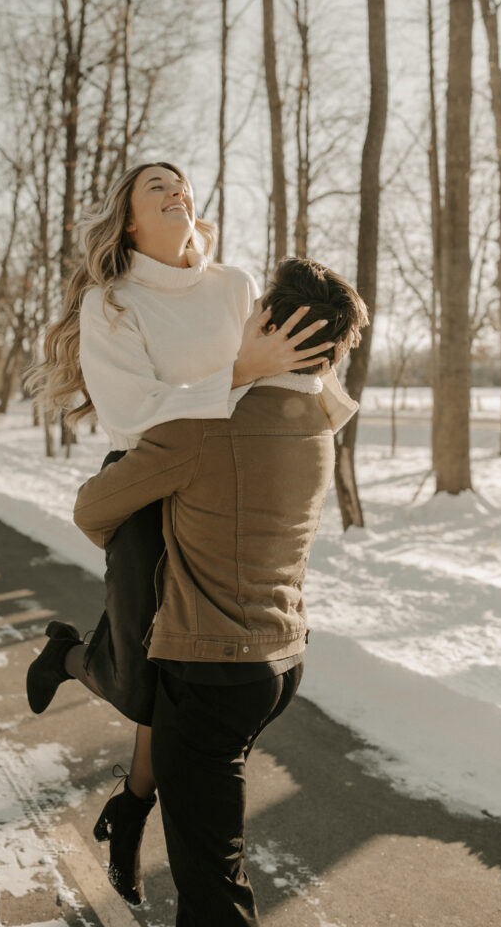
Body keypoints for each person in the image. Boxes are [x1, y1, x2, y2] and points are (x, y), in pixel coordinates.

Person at [24, 161, 353, 903]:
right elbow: (134, 414)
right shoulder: (111, 303)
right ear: (130, 219)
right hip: (150, 470)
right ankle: (70, 658)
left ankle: (131, 806)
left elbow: (286, 369)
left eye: (182, 182)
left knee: (176, 680)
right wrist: (237, 371)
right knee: (147, 683)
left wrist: (316, 411)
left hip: (226, 474)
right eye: (155, 186)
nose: (176, 190)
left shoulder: (234, 285)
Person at [72, 256, 369, 927]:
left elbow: (92, 509)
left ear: (266, 322)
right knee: (213, 855)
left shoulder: (205, 426)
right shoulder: (320, 423)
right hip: (280, 662)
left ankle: (123, 792)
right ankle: (128, 809)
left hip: (210, 675)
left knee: (212, 889)